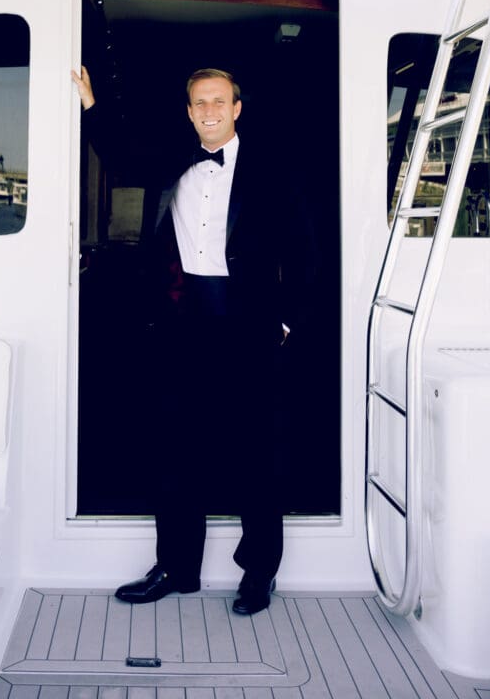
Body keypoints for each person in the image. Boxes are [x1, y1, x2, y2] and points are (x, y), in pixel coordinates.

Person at [72, 64, 315, 615]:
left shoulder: (272, 170)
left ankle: (258, 573)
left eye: (218, 101)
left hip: (248, 323)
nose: (208, 110)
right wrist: (92, 104)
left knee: (257, 453)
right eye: (199, 102)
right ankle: (177, 568)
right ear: (189, 112)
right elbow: (125, 156)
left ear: (236, 109)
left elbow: (304, 251)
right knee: (175, 449)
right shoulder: (172, 160)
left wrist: (285, 322)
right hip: (181, 325)